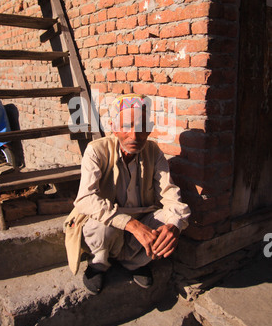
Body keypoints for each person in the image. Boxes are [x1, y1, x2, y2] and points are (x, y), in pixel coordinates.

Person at [64, 94, 190, 295]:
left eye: (140, 127)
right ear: (114, 128)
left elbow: (169, 193)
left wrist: (174, 225)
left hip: (140, 217)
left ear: (149, 129)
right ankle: (99, 263)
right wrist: (131, 225)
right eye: (126, 126)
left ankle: (135, 262)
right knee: (101, 226)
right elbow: (86, 199)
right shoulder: (96, 150)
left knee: (172, 218)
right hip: (108, 224)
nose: (134, 135)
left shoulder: (153, 151)